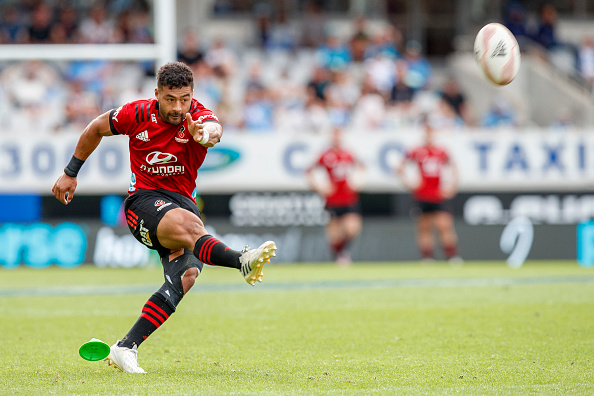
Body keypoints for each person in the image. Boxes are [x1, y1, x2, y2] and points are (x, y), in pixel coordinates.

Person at [51, 62, 277, 373]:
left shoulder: (198, 117)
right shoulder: (136, 114)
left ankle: (125, 347)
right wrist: (70, 172)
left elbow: (215, 131)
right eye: (170, 99)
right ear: (157, 94)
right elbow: (95, 128)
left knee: (186, 277)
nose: (178, 107)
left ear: (192, 95)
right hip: (142, 203)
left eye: (184, 98)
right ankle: (241, 261)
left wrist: (204, 132)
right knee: (189, 226)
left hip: (183, 204)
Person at [396, 115, 461, 263]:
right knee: (424, 226)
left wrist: (452, 185)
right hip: (422, 195)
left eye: (431, 131)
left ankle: (452, 255)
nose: (429, 134)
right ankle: (427, 256)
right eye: (426, 131)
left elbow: (453, 167)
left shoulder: (441, 151)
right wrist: (409, 183)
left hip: (438, 195)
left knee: (444, 225)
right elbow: (400, 167)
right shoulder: (416, 151)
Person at [306, 127, 365, 265]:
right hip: (332, 199)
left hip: (349, 198)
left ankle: (341, 253)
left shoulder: (348, 154)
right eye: (334, 135)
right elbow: (309, 172)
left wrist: (357, 182)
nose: (336, 138)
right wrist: (320, 187)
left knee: (352, 229)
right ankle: (340, 256)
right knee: (334, 233)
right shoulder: (324, 155)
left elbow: (362, 167)